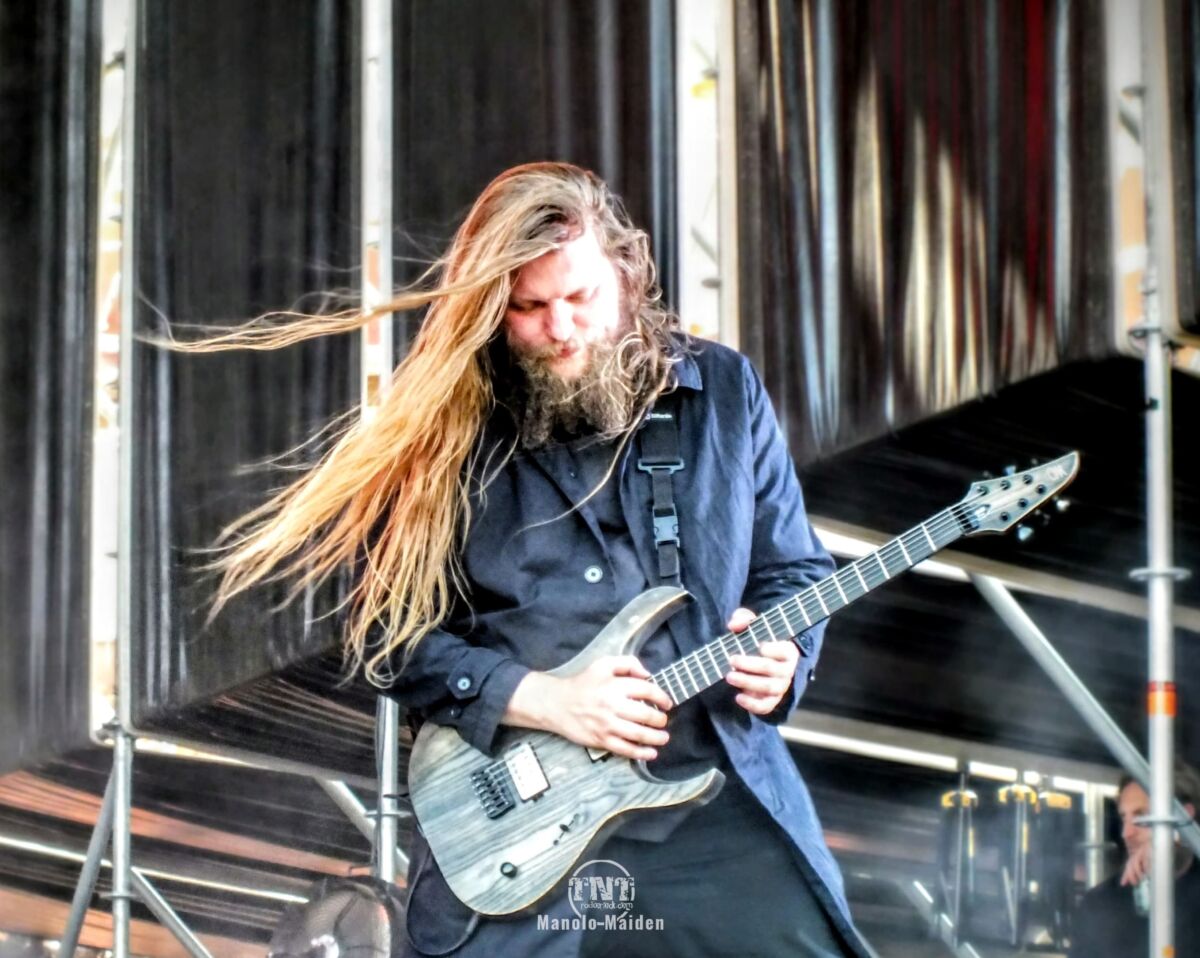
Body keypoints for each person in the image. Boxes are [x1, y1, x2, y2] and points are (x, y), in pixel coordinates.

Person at [197, 162, 868, 957]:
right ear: (492, 310)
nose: (562, 328)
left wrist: (787, 654)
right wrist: (547, 700)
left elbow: (794, 569)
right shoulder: (442, 437)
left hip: (712, 796)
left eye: (582, 297)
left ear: (625, 272)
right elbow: (384, 637)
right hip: (523, 824)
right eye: (530, 308)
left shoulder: (721, 390)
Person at [1069, 762, 1200, 957]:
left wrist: (1169, 842)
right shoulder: (1100, 904)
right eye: (1124, 818)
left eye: (1142, 818)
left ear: (1184, 817)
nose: (1126, 833)